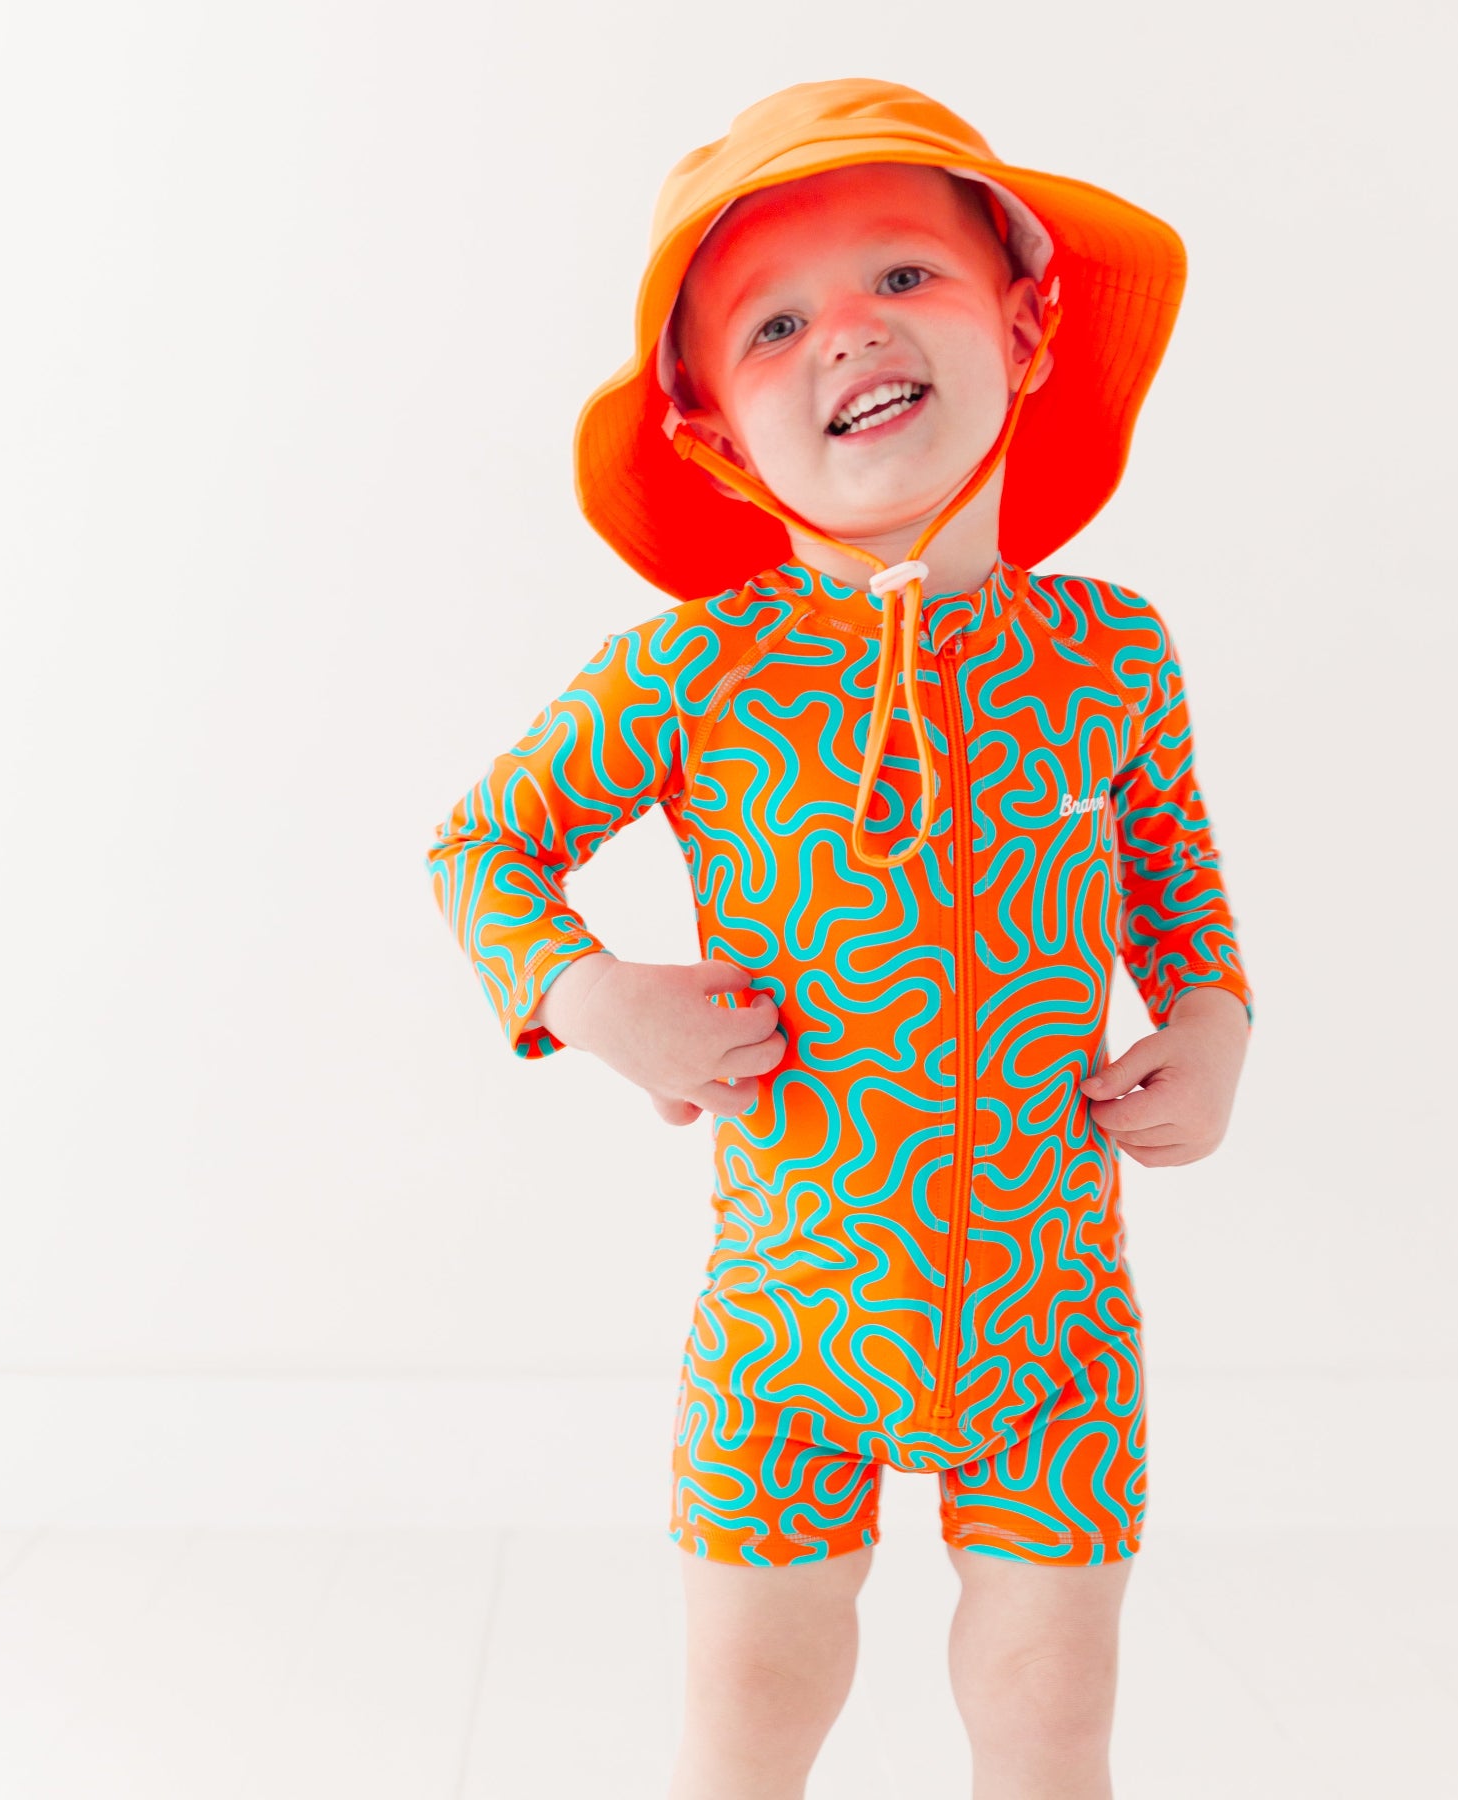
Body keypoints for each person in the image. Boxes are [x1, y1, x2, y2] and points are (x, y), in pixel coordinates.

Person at [426, 76, 1254, 1800]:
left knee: (1052, 1699)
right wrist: (599, 999)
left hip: (1050, 1303)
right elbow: (483, 849)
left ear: (1023, 327)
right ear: (717, 433)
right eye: (776, 323)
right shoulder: (695, 669)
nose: (849, 335)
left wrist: (1210, 1024)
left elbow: (1178, 882)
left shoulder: (1114, 652)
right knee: (755, 1696)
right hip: (792, 1309)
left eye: (902, 276)